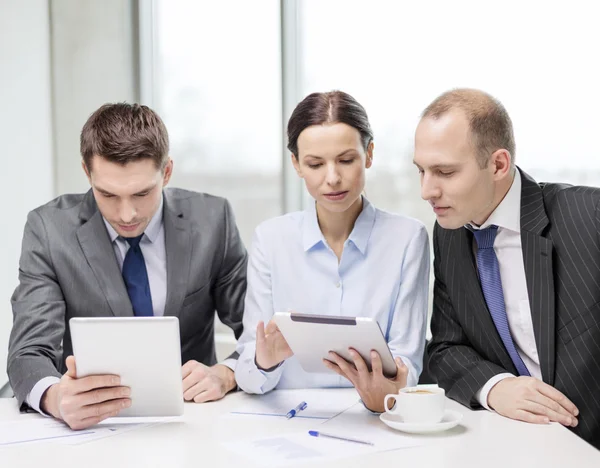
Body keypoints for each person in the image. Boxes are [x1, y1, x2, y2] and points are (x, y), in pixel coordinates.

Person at [7, 103, 247, 430]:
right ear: (86, 172)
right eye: (107, 194)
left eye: (142, 193)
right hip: (94, 426)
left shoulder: (212, 220)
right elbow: (28, 352)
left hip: (195, 419)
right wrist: (56, 398)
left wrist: (226, 374)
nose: (127, 214)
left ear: (166, 172)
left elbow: (257, 328)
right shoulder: (49, 230)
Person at [416, 88, 600, 448]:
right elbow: (445, 349)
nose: (426, 190)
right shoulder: (449, 234)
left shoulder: (589, 218)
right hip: (512, 445)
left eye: (445, 172)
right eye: (421, 170)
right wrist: (496, 388)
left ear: (498, 165)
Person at [234, 91, 430, 412]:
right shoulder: (271, 239)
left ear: (369, 154)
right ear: (296, 164)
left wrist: (388, 391)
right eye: (315, 164)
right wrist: (264, 361)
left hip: (378, 416)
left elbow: (407, 360)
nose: (333, 179)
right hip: (289, 417)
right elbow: (249, 372)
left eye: (346, 160)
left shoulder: (408, 238)